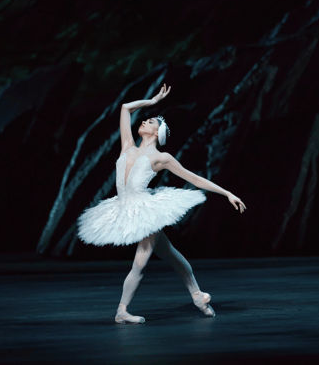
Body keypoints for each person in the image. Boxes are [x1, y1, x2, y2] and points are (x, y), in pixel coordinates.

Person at [77, 84, 246, 324]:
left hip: (145, 210)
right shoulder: (128, 145)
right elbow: (125, 108)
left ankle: (122, 310)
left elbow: (194, 178)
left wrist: (227, 192)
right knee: (170, 254)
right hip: (123, 206)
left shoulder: (161, 158)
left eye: (151, 122)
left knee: (143, 259)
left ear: (157, 133)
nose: (145, 121)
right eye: (146, 120)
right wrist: (152, 101)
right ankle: (197, 296)